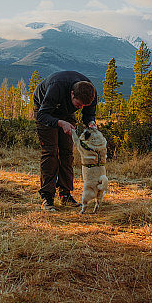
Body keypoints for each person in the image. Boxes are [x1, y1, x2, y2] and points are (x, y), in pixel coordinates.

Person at [32, 71, 98, 212]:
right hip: (44, 109)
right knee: (50, 153)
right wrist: (60, 123)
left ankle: (65, 195)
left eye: (84, 105)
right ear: (72, 94)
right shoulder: (56, 87)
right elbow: (42, 115)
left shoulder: (90, 92)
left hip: (66, 112)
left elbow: (89, 114)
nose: (81, 108)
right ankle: (47, 197)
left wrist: (91, 123)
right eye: (78, 104)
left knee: (67, 153)